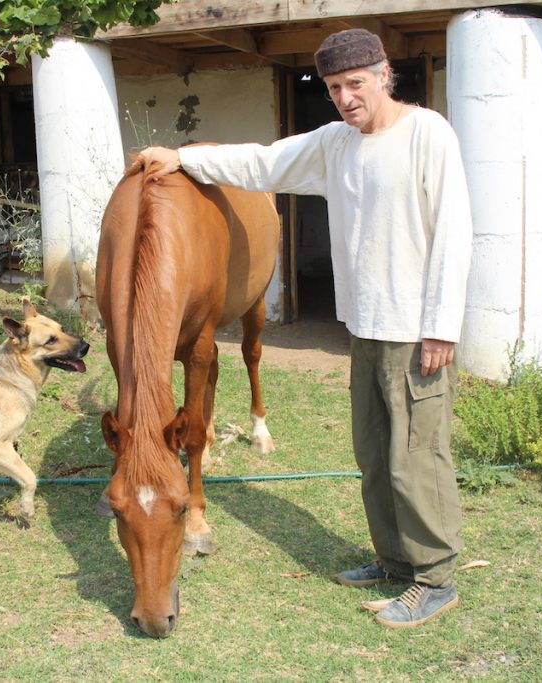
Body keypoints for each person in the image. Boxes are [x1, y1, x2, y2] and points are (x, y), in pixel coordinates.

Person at [133, 28, 473, 629]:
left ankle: (434, 577)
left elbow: (454, 232)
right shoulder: (335, 143)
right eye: (335, 88)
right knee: (374, 453)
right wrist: (183, 158)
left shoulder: (427, 134)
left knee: (415, 458)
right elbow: (260, 163)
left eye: (355, 84)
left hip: (416, 330)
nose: (345, 97)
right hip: (365, 328)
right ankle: (395, 560)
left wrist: (442, 327)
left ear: (383, 74)